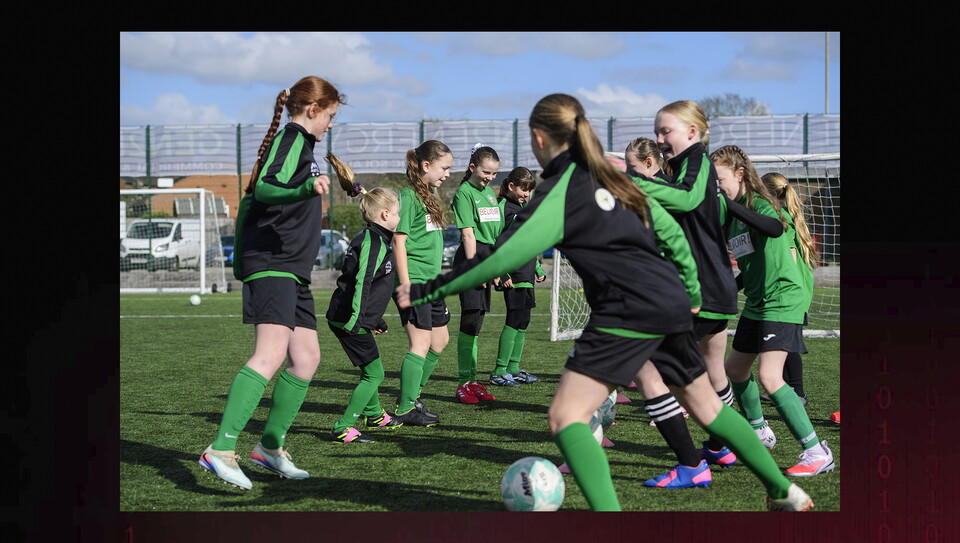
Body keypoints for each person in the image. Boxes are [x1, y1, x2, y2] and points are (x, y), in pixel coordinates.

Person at [396, 93, 814, 512]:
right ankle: (783, 490)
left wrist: (424, 290)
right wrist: (688, 285)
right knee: (706, 404)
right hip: (667, 298)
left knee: (566, 417)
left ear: (539, 138)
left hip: (626, 311)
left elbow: (503, 257)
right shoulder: (612, 177)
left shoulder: (562, 189)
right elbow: (669, 227)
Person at [198, 76, 344, 490]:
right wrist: (303, 187)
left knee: (307, 358)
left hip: (291, 269)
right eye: (330, 115)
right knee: (270, 354)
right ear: (313, 109)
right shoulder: (293, 136)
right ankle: (220, 450)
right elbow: (263, 187)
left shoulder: (305, 145)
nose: (331, 124)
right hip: (272, 263)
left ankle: (269, 447)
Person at [711, 145, 834, 478]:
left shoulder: (762, 204)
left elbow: (774, 228)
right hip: (758, 299)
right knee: (735, 370)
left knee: (769, 376)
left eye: (720, 179)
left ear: (739, 175)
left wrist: (733, 208)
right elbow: (747, 267)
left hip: (783, 298)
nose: (716, 185)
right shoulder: (733, 214)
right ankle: (759, 431)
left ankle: (815, 451)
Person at [325, 160, 403, 443]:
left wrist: (374, 319)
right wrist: (359, 320)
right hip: (349, 316)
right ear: (385, 214)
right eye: (397, 214)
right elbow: (363, 281)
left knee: (371, 369)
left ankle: (376, 415)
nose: (399, 219)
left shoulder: (379, 238)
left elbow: (377, 286)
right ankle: (343, 427)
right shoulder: (373, 240)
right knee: (375, 374)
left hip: (353, 315)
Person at [391, 140, 454, 427]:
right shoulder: (408, 196)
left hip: (432, 283)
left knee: (440, 341)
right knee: (421, 342)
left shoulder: (428, 194)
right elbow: (399, 242)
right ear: (426, 166)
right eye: (445, 168)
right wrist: (406, 286)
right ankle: (405, 407)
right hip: (414, 281)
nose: (448, 174)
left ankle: (412, 396)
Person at [451, 144, 502, 404]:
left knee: (478, 323)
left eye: (494, 174)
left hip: (485, 260)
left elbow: (493, 235)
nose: (490, 178)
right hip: (471, 261)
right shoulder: (464, 193)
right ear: (472, 168)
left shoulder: (490, 194)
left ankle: (472, 380)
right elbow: (468, 235)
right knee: (469, 321)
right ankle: (463, 383)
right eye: (486, 172)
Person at [489, 167, 546, 387]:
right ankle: (499, 371)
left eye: (529, 190)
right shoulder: (502, 207)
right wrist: (501, 272)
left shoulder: (524, 207)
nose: (526, 194)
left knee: (523, 322)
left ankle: (513, 367)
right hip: (512, 274)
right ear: (511, 186)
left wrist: (538, 268)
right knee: (513, 321)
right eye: (523, 189)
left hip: (527, 273)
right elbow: (495, 242)